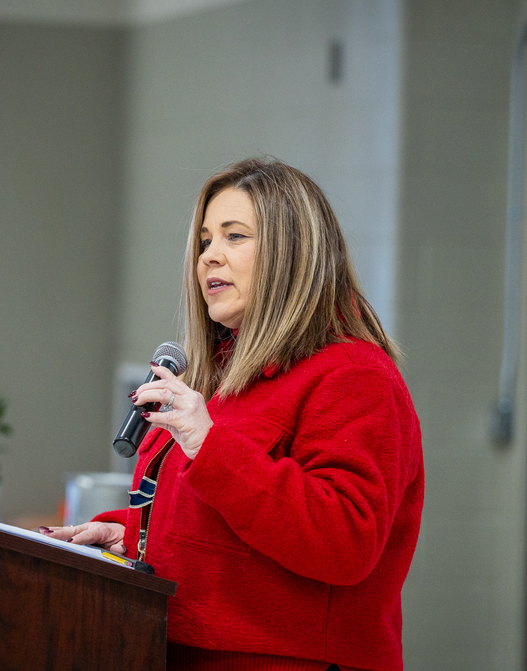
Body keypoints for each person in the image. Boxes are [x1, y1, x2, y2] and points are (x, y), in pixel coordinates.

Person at [42, 158, 423, 671]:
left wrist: (208, 443)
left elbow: (344, 542)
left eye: (233, 237)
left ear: (293, 253)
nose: (209, 258)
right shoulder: (222, 374)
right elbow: (230, 529)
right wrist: (132, 531)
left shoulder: (354, 375)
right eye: (204, 241)